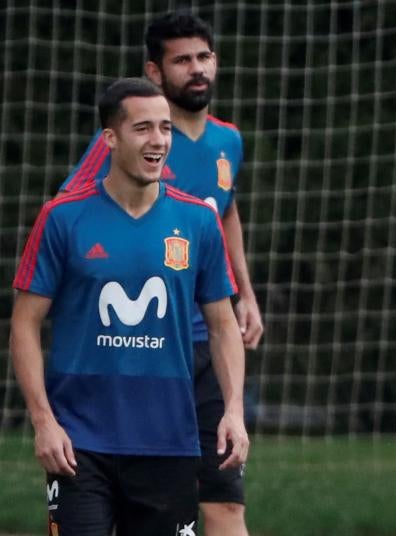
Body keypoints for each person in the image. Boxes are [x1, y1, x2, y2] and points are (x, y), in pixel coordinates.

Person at [10, 77, 249, 535]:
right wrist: (43, 421)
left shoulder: (199, 221)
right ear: (110, 138)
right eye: (143, 128)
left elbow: (223, 326)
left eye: (165, 127)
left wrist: (234, 411)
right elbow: (24, 324)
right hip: (79, 443)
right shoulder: (61, 217)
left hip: (169, 441)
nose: (158, 140)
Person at [60, 12, 262, 535]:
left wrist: (244, 293)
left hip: (209, 346)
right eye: (182, 60)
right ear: (154, 71)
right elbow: (74, 217)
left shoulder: (228, 140)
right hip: (146, 351)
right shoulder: (129, 145)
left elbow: (225, 210)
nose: (197, 70)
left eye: (204, 57)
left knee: (225, 499)